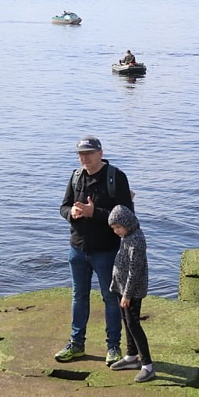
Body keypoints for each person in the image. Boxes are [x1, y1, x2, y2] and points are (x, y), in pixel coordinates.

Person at [55, 136, 134, 366]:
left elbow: (125, 213)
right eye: (81, 154)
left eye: (89, 153)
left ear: (100, 153)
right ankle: (76, 344)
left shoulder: (115, 177)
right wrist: (73, 214)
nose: (84, 158)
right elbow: (63, 206)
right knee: (79, 297)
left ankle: (113, 347)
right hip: (77, 249)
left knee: (110, 298)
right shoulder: (76, 176)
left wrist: (94, 213)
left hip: (106, 251)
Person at [107, 205, 155, 383]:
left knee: (134, 324)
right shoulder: (127, 236)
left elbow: (134, 271)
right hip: (122, 287)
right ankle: (131, 356)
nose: (116, 231)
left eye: (118, 227)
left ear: (127, 223)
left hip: (132, 291)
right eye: (113, 228)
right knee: (126, 322)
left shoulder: (136, 240)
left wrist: (127, 295)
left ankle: (147, 365)